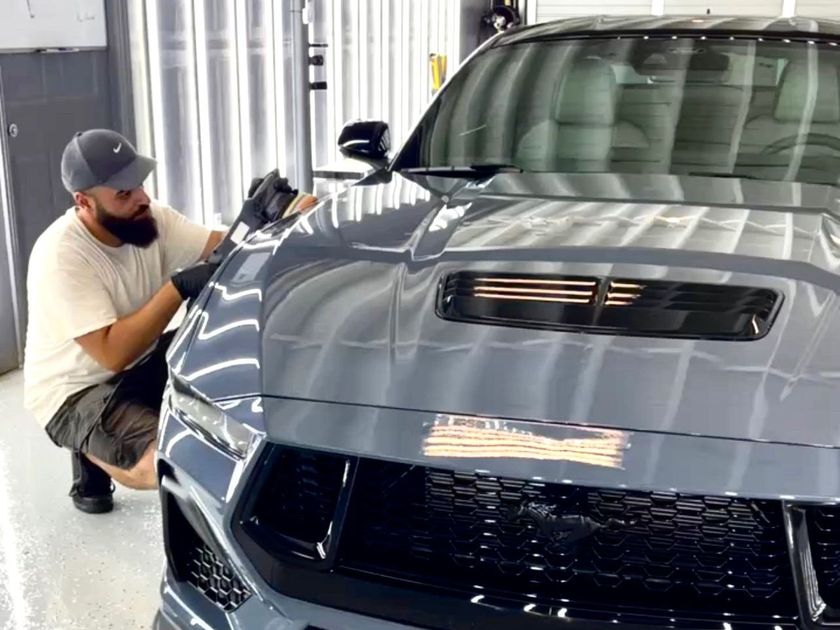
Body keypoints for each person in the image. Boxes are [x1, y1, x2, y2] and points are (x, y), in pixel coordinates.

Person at [22, 129, 311, 514]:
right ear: (84, 202)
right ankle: (89, 447)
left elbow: (226, 251)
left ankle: (107, 439)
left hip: (140, 359)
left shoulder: (148, 217)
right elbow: (112, 354)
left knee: (219, 344)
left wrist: (273, 225)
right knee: (169, 459)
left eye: (139, 183)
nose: (141, 198)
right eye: (123, 193)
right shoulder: (61, 257)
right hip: (76, 390)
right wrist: (176, 287)